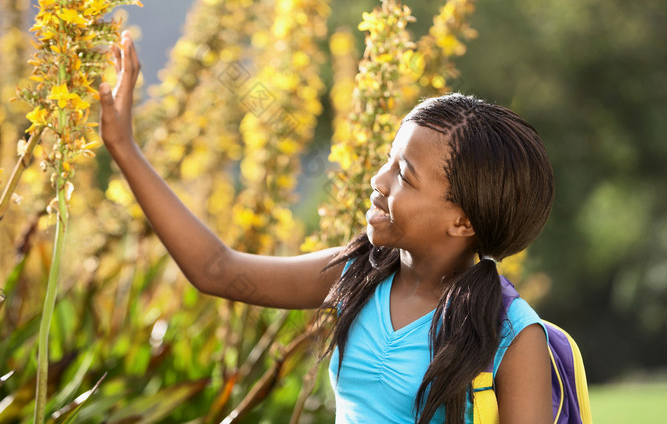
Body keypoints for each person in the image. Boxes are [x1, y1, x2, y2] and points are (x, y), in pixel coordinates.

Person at [99, 32, 555, 424]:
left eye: (405, 175)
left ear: (464, 221)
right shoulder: (359, 275)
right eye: (388, 161)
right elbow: (216, 269)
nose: (378, 181)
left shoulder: (511, 334)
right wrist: (123, 146)